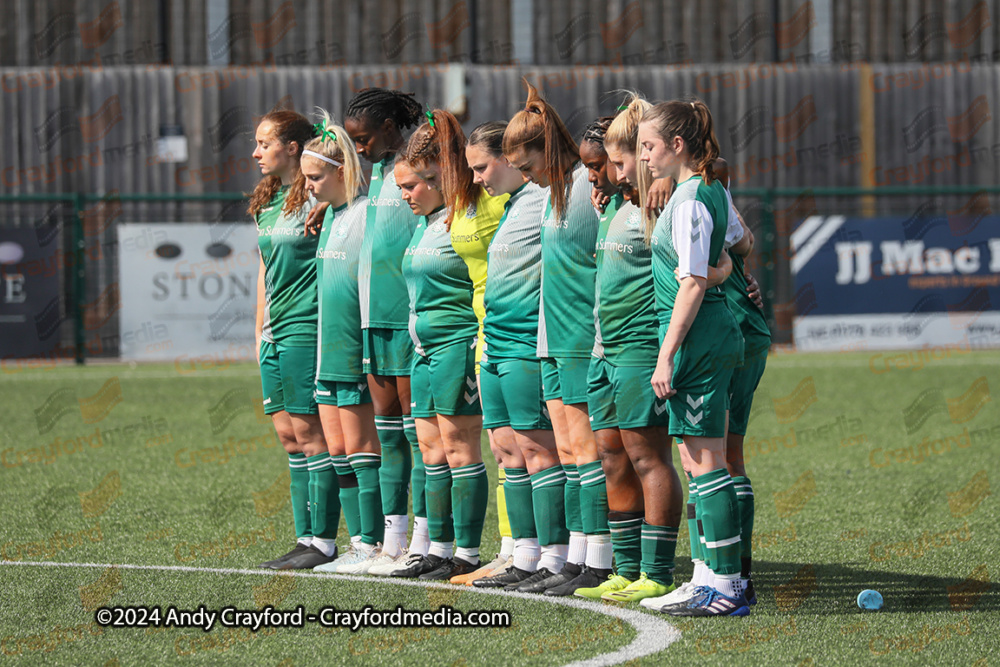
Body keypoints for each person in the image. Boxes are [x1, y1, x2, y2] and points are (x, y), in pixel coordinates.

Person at [639, 98, 754, 617]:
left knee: (707, 463)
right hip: (709, 334)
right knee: (696, 461)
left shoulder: (688, 198)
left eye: (648, 146)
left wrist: (665, 357)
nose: (643, 158)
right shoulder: (710, 189)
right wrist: (724, 271)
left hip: (698, 338)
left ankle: (727, 587)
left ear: (677, 145)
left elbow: (691, 285)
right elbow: (735, 249)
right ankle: (706, 577)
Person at [498, 81, 597, 594]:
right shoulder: (548, 193)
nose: (523, 173)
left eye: (526, 162)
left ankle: (596, 561)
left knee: (585, 452)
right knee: (567, 450)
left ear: (548, 149)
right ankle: (570, 562)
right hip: (549, 337)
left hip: (581, 337)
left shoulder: (586, 185)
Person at [387, 112, 490, 579]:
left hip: (455, 344)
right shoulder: (427, 224)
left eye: (412, 185)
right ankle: (438, 548)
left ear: (438, 179)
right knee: (429, 450)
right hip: (422, 350)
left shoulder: (465, 216)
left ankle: (467, 554)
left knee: (460, 448)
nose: (405, 195)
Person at [338, 89, 425, 573]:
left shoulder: (416, 169)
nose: (362, 148)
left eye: (366, 138)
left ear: (393, 127)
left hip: (408, 321)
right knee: (389, 436)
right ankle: (391, 544)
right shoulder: (372, 175)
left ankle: (426, 541)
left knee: (420, 439)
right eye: (356, 142)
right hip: (374, 321)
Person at [293, 111, 378, 574]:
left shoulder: (368, 214)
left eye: (315, 177)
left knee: (364, 451)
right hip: (328, 350)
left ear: (342, 171)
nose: (308, 186)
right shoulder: (328, 216)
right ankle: (358, 544)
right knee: (339, 452)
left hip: (353, 349)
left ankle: (376, 544)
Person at [471, 131, 553, 593]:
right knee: (505, 450)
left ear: (510, 158)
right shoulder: (510, 204)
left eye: (483, 167)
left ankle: (555, 555)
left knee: (539, 452)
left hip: (525, 343)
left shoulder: (544, 197)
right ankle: (523, 556)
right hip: (494, 344)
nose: (478, 179)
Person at [249, 110, 328, 570]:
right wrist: (258, 330)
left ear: (294, 148)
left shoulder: (320, 197)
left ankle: (323, 543)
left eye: (265, 143)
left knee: (309, 433)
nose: (256, 153)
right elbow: (263, 271)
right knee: (287, 435)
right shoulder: (268, 201)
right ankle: (305, 538)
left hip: (307, 327)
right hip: (274, 333)